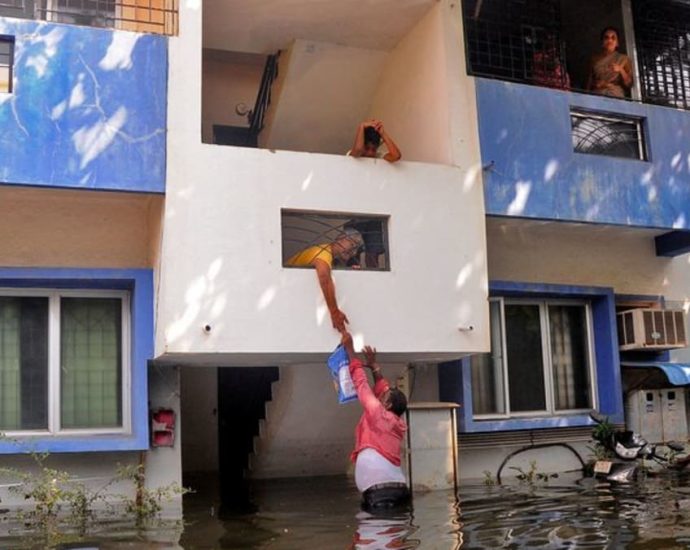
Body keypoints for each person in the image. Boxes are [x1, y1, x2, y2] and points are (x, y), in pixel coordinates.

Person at [341, 331, 410, 511]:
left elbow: (362, 385)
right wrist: (374, 366)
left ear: (386, 404)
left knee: (380, 536)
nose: (379, 396)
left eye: (383, 397)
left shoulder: (378, 413)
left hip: (379, 494)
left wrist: (350, 352)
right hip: (398, 489)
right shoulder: (395, 422)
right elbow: (383, 388)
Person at [285, 228, 363, 333]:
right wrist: (334, 312)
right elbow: (324, 277)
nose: (353, 252)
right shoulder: (323, 252)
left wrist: (353, 274)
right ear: (340, 239)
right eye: (352, 245)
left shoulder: (334, 259)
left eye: (356, 249)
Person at [587, 26, 633, 98]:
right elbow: (589, 82)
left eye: (613, 38)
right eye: (606, 38)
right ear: (602, 42)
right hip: (597, 94)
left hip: (615, 94)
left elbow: (629, 84)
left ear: (617, 43)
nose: (610, 40)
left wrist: (621, 70)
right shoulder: (594, 60)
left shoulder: (623, 59)